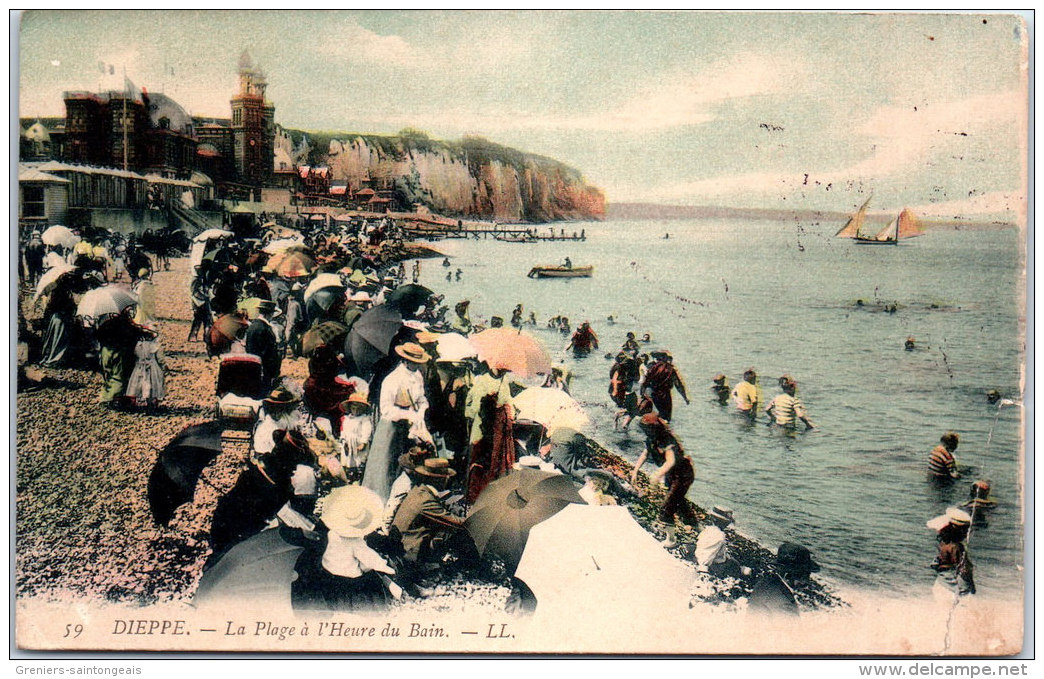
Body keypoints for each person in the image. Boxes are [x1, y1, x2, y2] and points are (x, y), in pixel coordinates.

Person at [291, 485, 395, 612]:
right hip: (351, 582)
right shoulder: (355, 542)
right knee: (369, 582)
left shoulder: (330, 534)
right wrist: (386, 566)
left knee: (337, 603)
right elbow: (370, 559)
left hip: (329, 576)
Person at [363, 343, 434, 502]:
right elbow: (386, 409)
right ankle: (383, 499)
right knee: (388, 464)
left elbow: (421, 398)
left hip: (411, 425)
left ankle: (403, 498)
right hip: (393, 426)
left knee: (409, 462)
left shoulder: (417, 375)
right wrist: (407, 414)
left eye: (418, 363)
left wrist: (421, 411)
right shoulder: (393, 379)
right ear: (405, 360)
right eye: (413, 362)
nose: (416, 366)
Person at [632, 413, 697, 548]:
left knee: (667, 507)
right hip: (671, 475)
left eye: (648, 429)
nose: (646, 432)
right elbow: (645, 454)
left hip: (683, 474)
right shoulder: (651, 439)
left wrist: (657, 475)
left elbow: (671, 461)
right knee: (678, 502)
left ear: (655, 428)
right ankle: (697, 526)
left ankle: (671, 540)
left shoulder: (667, 440)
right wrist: (635, 470)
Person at [95, 306, 153, 409]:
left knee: (108, 375)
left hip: (105, 353)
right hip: (120, 354)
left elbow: (98, 335)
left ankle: (105, 397)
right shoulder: (126, 326)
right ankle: (112, 399)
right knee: (119, 377)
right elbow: (136, 335)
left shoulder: (106, 324)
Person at [749, 543, 821, 616]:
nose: (807, 582)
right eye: (804, 577)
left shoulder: (762, 583)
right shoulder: (786, 607)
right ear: (787, 577)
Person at [930, 508, 975, 598]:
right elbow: (963, 570)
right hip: (952, 589)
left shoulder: (943, 543)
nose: (967, 533)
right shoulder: (957, 547)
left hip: (940, 584)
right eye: (966, 530)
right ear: (960, 531)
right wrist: (972, 586)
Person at [694, 506, 749, 579]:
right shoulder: (719, 535)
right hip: (717, 566)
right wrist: (703, 571)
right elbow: (706, 555)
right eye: (726, 522)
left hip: (716, 559)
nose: (727, 525)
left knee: (734, 562)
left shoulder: (708, 529)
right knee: (747, 571)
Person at [245, 299, 283, 392]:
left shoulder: (253, 326)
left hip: (252, 365)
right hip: (264, 369)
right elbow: (268, 353)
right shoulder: (265, 328)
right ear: (269, 314)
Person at [641, 350, 690, 422]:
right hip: (665, 395)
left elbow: (645, 382)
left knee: (657, 414)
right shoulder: (670, 369)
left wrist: (642, 394)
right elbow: (678, 384)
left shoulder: (653, 368)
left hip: (654, 394)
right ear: (665, 358)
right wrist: (685, 397)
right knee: (666, 418)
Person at [125, 328, 167, 410]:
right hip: (152, 367)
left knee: (136, 384)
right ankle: (152, 403)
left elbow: (134, 355)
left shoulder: (138, 345)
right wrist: (164, 366)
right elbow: (160, 358)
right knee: (153, 384)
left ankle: (133, 403)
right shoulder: (155, 346)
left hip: (139, 366)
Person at [338, 392, 374, 482]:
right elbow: (343, 430)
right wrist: (343, 439)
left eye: (359, 407)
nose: (356, 410)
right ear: (350, 407)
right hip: (348, 443)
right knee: (348, 460)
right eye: (354, 407)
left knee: (358, 459)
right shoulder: (346, 418)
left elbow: (366, 430)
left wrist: (363, 442)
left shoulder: (364, 419)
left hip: (357, 443)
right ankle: (349, 476)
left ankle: (359, 477)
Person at [609, 352, 640, 430]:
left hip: (619, 392)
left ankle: (624, 425)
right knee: (633, 410)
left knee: (632, 409)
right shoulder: (621, 368)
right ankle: (623, 422)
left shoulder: (617, 367)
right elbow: (615, 380)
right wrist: (616, 391)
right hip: (624, 392)